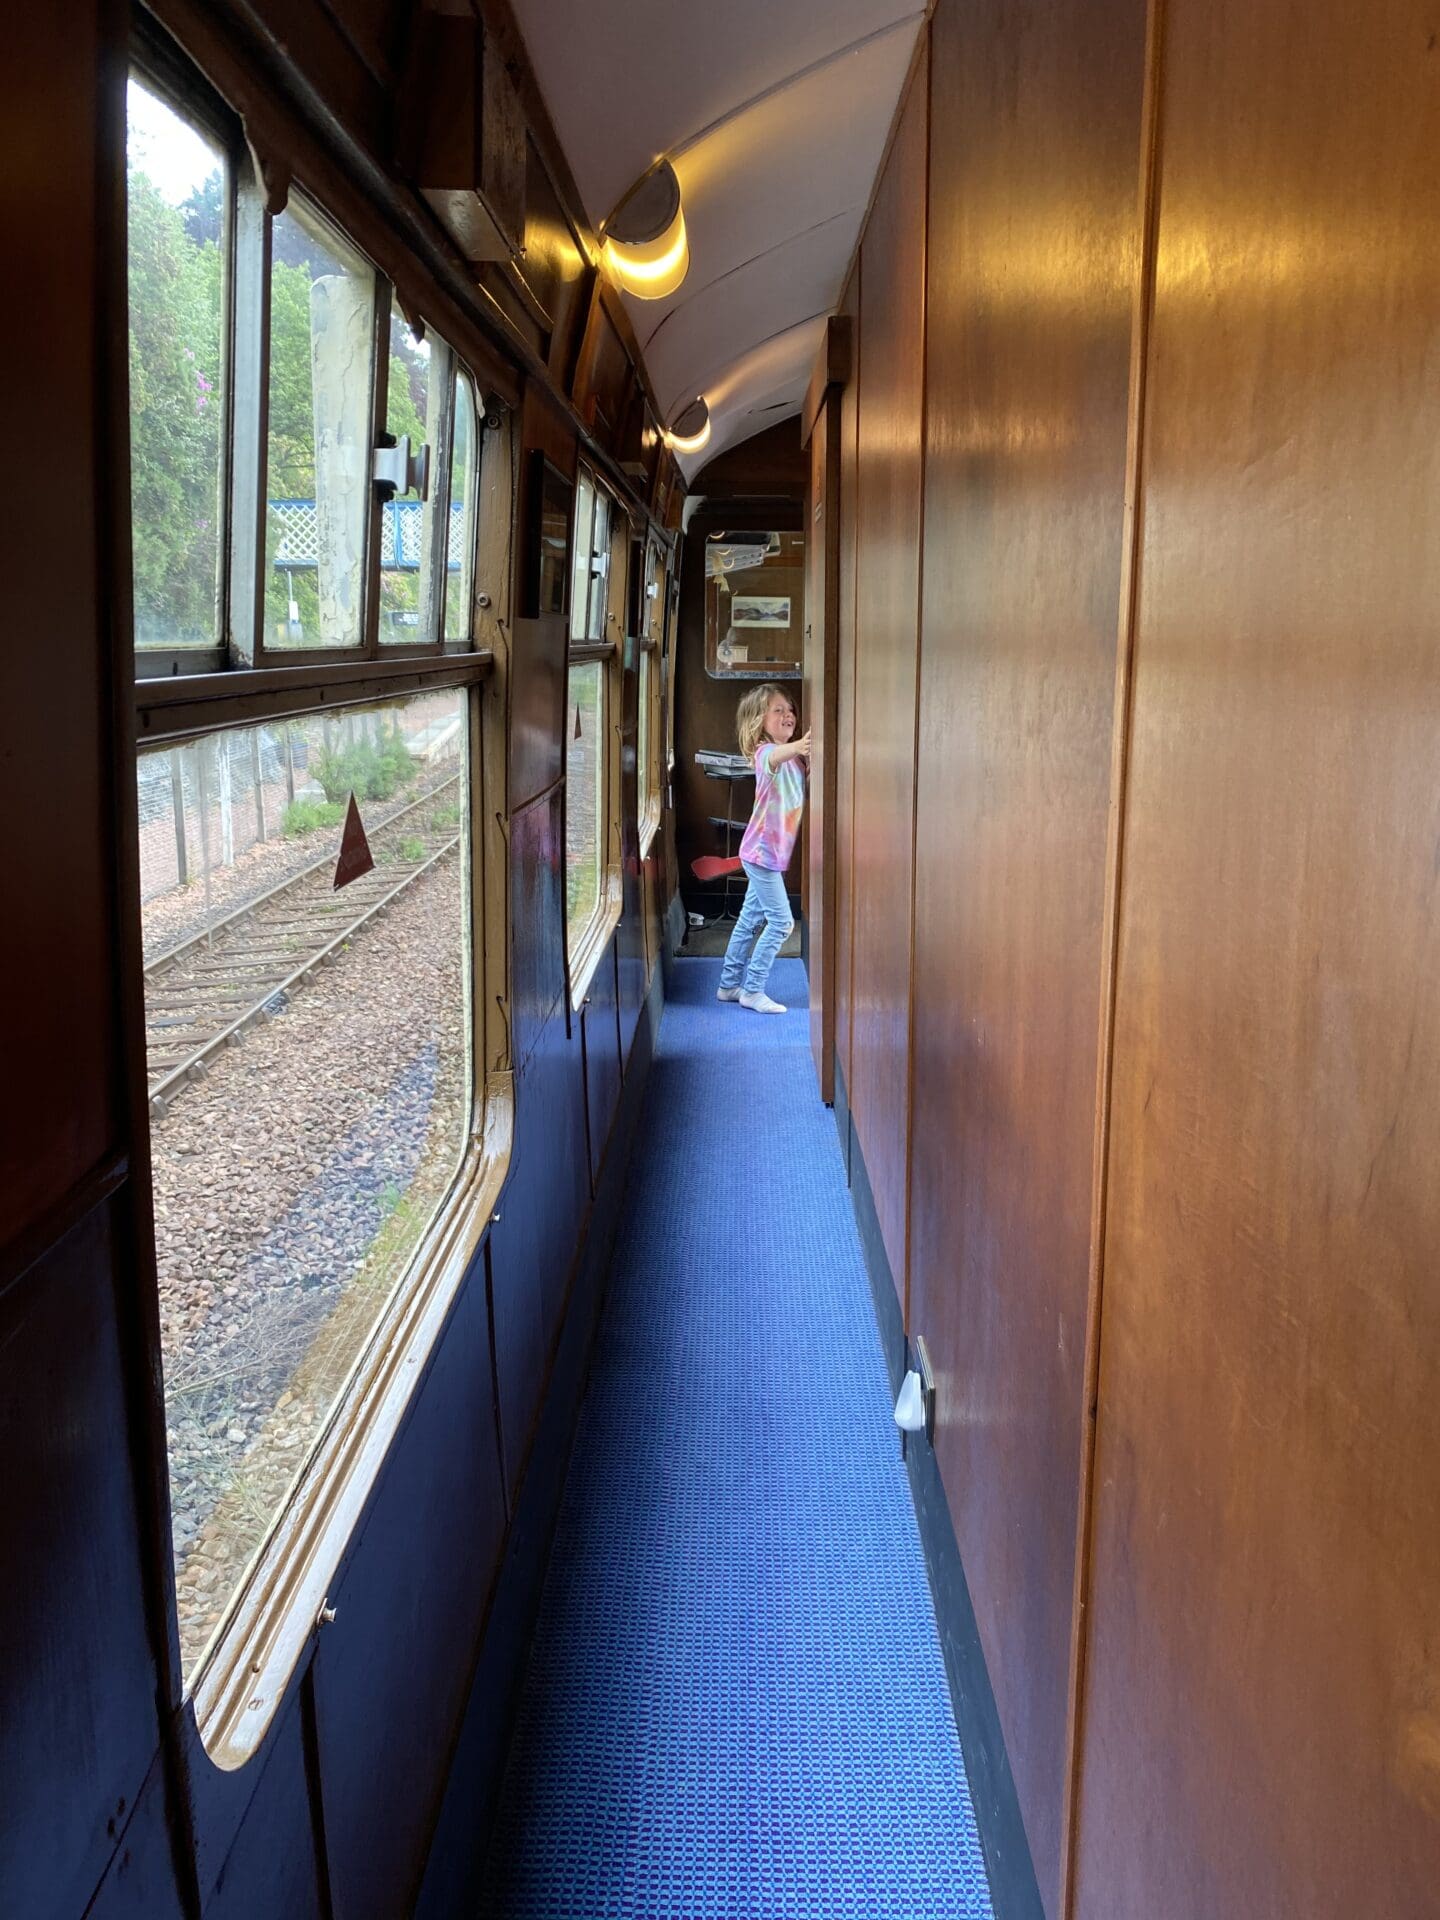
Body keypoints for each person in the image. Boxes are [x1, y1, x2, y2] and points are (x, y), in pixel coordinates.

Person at [717, 684, 810, 1014]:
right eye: (778, 710)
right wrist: (801, 744)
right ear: (759, 722)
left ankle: (729, 985)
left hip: (767, 855)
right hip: (762, 854)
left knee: (748, 919)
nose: (788, 715)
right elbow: (774, 756)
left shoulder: (795, 761)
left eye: (790, 709)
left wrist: (802, 752)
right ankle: (752, 989)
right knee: (783, 923)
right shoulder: (764, 754)